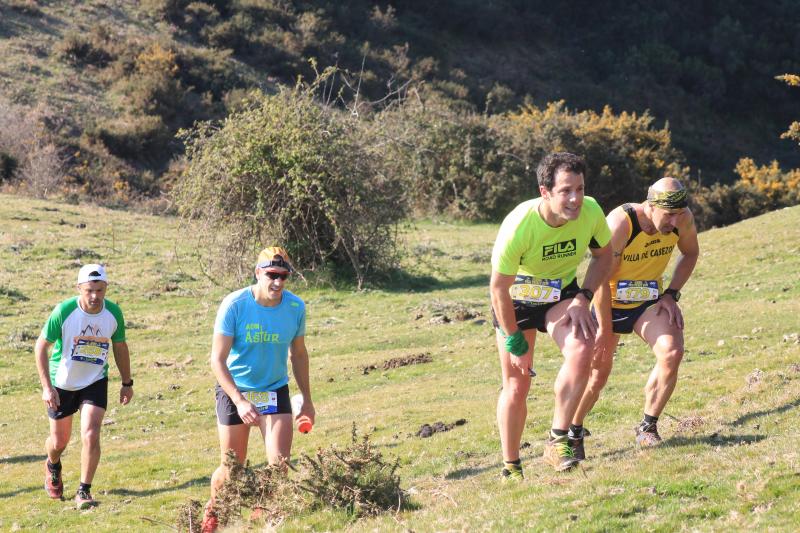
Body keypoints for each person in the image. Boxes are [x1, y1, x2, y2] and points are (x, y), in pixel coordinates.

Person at [490, 152, 612, 477]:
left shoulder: (591, 212)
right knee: (516, 385)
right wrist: (514, 340)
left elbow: (603, 256)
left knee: (582, 347)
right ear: (545, 191)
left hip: (561, 294)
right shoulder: (519, 226)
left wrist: (583, 298)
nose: (575, 199)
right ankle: (511, 466)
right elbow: (498, 289)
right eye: (565, 191)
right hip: (516, 300)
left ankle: (557, 441)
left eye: (580, 189)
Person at [571, 177, 699, 457]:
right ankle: (573, 430)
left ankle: (647, 428)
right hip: (609, 301)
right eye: (669, 215)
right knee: (597, 374)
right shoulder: (621, 223)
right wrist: (604, 329)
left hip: (647, 302)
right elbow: (602, 277)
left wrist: (671, 294)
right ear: (650, 205)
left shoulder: (683, 219)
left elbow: (690, 253)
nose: (674, 223)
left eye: (679, 215)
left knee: (672, 352)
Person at [202, 247, 315, 532]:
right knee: (232, 468)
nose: (277, 283)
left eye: (283, 276)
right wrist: (239, 401)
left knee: (280, 466)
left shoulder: (295, 307)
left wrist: (308, 401)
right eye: (271, 275)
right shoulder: (235, 304)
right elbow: (216, 360)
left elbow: (299, 354)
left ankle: (260, 518)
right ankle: (213, 512)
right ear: (258, 273)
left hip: (274, 389)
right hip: (235, 390)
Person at [35, 264, 133, 509]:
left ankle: (83, 490)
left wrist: (126, 382)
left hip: (94, 381)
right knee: (59, 442)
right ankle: (52, 464)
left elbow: (120, 347)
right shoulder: (64, 311)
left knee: (91, 432)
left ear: (106, 288)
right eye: (89, 290)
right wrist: (47, 387)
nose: (94, 296)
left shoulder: (113, 313)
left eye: (100, 290)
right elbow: (40, 347)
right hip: (63, 383)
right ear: (79, 288)